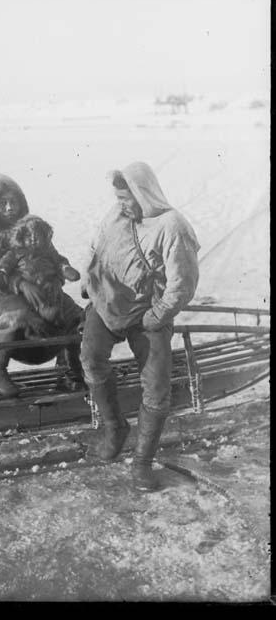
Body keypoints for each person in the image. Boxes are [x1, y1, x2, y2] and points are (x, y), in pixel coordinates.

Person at [80, 162, 200, 492]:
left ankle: (143, 462)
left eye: (127, 198)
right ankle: (114, 428)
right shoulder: (117, 213)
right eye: (118, 198)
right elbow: (96, 244)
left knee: (157, 387)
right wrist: (90, 282)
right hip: (107, 303)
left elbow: (183, 282)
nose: (122, 205)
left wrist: (158, 314)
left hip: (148, 313)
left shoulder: (171, 226)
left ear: (144, 193)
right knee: (90, 359)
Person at [0, 173, 84, 397]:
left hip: (40, 291)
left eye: (14, 202)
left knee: (74, 314)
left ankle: (68, 366)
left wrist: (59, 271)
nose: (10, 208)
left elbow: (50, 256)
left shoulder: (31, 230)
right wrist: (19, 283)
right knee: (17, 315)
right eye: (2, 203)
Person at [0, 214, 80, 325]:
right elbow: (6, 264)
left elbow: (59, 261)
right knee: (34, 295)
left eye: (37, 235)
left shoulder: (49, 252)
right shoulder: (16, 253)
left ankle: (76, 317)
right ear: (21, 238)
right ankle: (43, 308)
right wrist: (2, 273)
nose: (33, 239)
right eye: (28, 235)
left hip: (50, 285)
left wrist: (65, 268)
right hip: (28, 285)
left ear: (45, 236)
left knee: (65, 301)